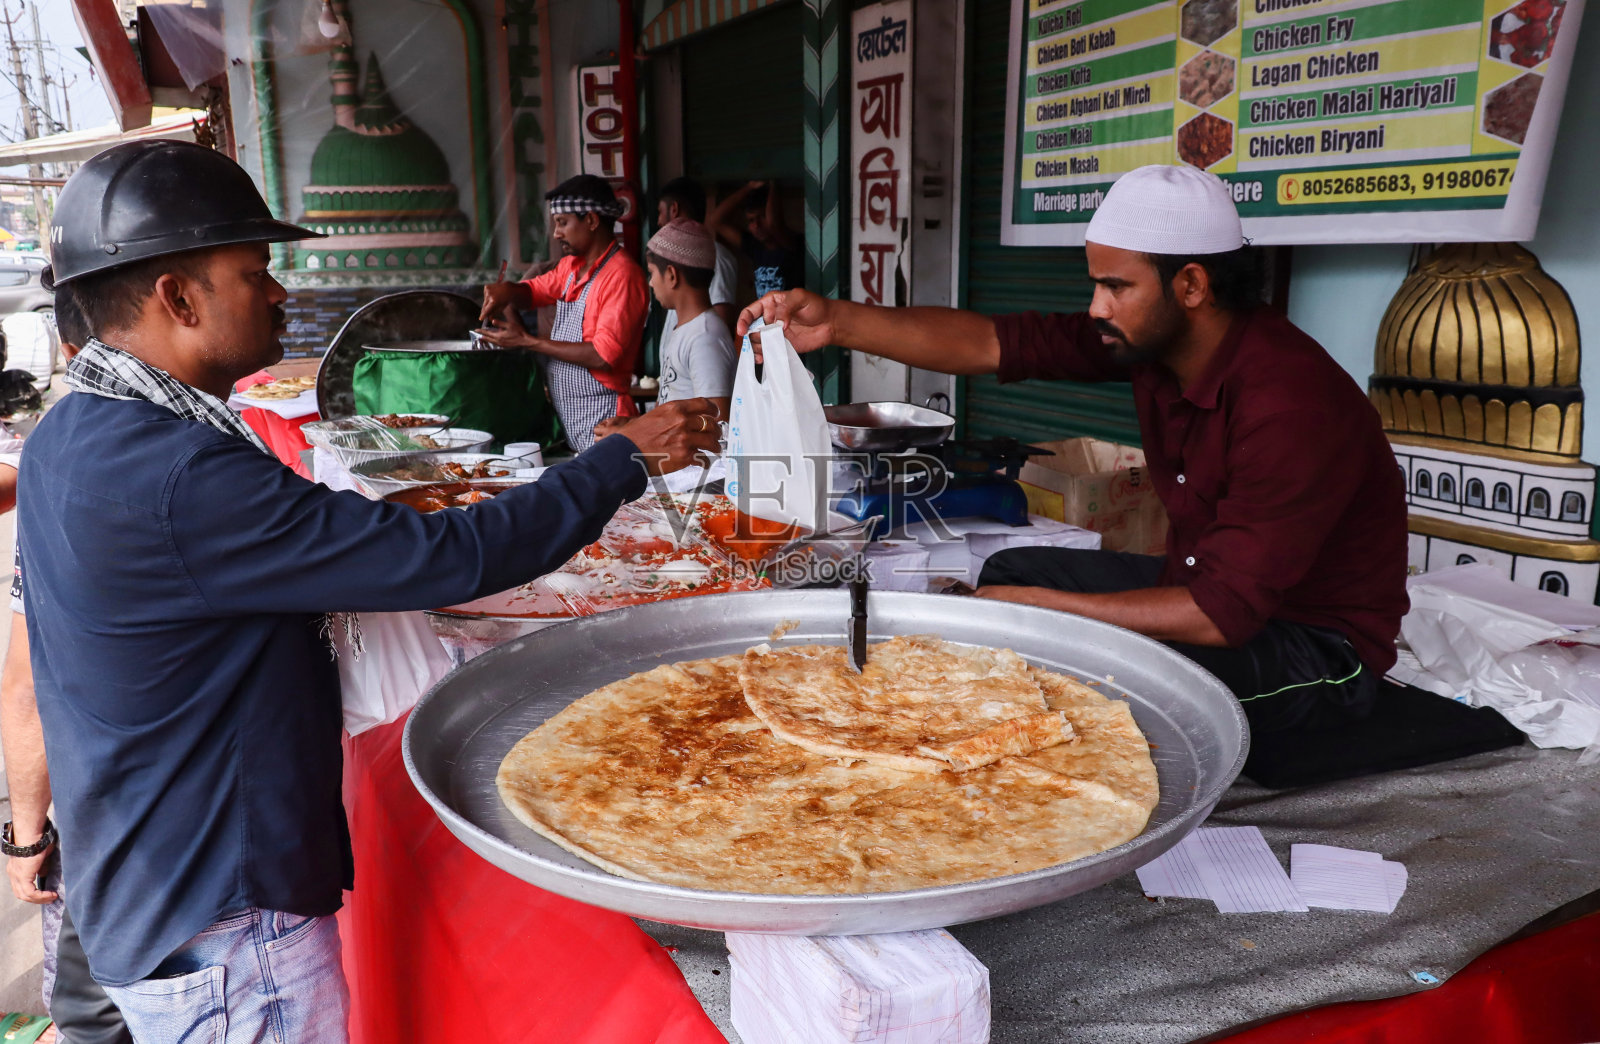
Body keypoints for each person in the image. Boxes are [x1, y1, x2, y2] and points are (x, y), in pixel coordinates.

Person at [17, 140, 719, 1042]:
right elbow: (452, 556)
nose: (280, 294)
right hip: (226, 925)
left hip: (151, 880)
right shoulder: (179, 474)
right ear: (178, 298)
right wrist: (622, 458)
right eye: (254, 272)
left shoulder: (71, 432)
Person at [738, 164, 1409, 751]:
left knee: (1078, 671)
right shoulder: (1154, 342)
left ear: (1193, 285)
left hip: (1317, 653)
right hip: (1204, 586)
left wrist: (1035, 608)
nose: (1096, 306)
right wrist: (837, 323)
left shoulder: (1289, 403)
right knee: (1007, 567)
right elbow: (991, 344)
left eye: (1116, 286)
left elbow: (1218, 614)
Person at [2, 294, 134, 1044]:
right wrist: (25, 835)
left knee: (86, 1008)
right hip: (113, 818)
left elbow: (24, 683)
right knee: (89, 1013)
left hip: (103, 813)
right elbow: (24, 688)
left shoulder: (60, 452)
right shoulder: (103, 463)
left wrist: (26, 834)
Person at [478, 175, 649, 452]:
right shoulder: (571, 267)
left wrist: (528, 341)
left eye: (562, 223)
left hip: (607, 420)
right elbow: (533, 292)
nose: (557, 234)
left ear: (591, 221)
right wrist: (508, 290)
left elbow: (603, 356)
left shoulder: (622, 275)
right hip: (576, 422)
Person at [595, 220, 737, 446]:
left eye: (652, 273)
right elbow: (674, 411)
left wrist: (634, 434)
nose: (651, 283)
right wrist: (633, 424)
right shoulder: (686, 329)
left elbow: (716, 423)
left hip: (699, 476)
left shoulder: (705, 337)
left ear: (672, 275)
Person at [655, 177, 739, 328]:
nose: (658, 221)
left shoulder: (715, 257)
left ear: (674, 209)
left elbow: (721, 322)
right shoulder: (679, 257)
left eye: (660, 212)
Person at [708, 180, 803, 299]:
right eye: (751, 220)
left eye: (762, 217)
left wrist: (773, 184)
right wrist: (748, 187)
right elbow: (716, 220)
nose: (756, 225)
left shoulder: (791, 243)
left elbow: (774, 224)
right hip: (765, 316)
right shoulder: (755, 246)